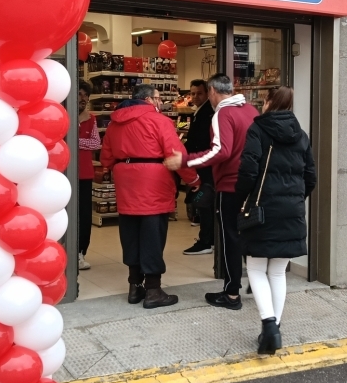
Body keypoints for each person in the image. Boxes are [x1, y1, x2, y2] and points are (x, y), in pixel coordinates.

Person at [101, 84, 201, 309]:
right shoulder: (159, 121)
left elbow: (106, 156)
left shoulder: (115, 123)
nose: (159, 102)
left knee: (130, 233)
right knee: (153, 235)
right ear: (147, 100)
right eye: (157, 98)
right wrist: (193, 180)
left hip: (126, 183)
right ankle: (154, 290)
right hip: (154, 182)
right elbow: (176, 154)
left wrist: (113, 168)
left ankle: (135, 287)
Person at [234, 86, 317, 355]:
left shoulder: (258, 130)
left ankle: (268, 325)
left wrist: (242, 196)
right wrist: (294, 198)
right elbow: (310, 177)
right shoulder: (301, 135)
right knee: (279, 271)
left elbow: (248, 169)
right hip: (291, 210)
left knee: (257, 268)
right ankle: (276, 328)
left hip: (262, 209)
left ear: (268, 102)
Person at [165, 73, 258, 310]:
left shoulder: (222, 114)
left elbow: (221, 151)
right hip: (252, 184)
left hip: (230, 185)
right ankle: (256, 283)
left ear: (213, 92)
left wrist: (185, 160)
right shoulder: (251, 111)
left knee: (229, 238)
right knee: (248, 236)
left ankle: (231, 293)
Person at [182, 79, 216, 255]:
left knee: (205, 203)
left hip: (205, 164)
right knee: (205, 204)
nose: (195, 97)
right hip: (202, 162)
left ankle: (206, 241)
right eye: (192, 93)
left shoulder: (208, 113)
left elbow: (200, 141)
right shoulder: (200, 112)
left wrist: (185, 155)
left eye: (199, 93)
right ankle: (209, 239)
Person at [76, 81, 101, 270]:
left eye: (86, 95)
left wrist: (74, 141)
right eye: (79, 94)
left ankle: (80, 253)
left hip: (84, 174)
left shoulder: (91, 119)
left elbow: (95, 144)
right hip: (61, 174)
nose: (83, 99)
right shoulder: (61, 116)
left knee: (84, 216)